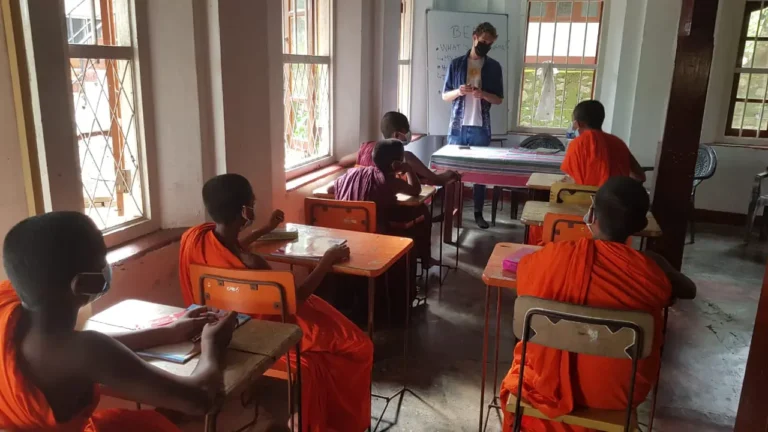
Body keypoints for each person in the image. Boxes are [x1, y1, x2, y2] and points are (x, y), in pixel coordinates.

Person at [0, 211, 239, 431]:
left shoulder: (11, 309)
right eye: (102, 261)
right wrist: (212, 345)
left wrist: (168, 332)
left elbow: (76, 353)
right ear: (82, 285)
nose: (107, 267)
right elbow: (199, 399)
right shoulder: (86, 350)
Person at [178, 174, 373, 432]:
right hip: (267, 327)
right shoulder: (253, 264)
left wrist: (266, 229)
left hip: (220, 325)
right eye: (252, 203)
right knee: (359, 345)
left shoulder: (194, 238)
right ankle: (346, 420)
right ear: (245, 211)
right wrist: (326, 261)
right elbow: (294, 298)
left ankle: (313, 409)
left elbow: (230, 247)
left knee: (320, 363)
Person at [499, 177, 696, 432]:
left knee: (524, 353)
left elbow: (525, 281)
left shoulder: (552, 257)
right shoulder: (649, 269)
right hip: (617, 394)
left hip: (546, 384)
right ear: (641, 224)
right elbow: (688, 290)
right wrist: (659, 263)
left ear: (591, 214)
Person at [331, 139, 433, 270]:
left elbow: (330, 189)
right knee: (422, 211)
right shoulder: (390, 181)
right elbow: (416, 190)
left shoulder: (354, 173)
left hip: (345, 231)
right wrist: (408, 169)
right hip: (375, 235)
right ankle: (425, 259)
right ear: (396, 164)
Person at [442, 22, 504, 229]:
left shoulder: (494, 67)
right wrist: (459, 91)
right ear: (474, 37)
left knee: (480, 173)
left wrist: (483, 94)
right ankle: (450, 210)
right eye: (484, 41)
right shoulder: (457, 64)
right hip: (457, 127)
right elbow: (445, 96)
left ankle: (478, 212)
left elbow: (498, 100)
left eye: (490, 43)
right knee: (452, 172)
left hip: (480, 127)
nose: (486, 45)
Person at [339, 111, 459, 186]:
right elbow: (436, 180)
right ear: (396, 135)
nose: (409, 135)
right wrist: (450, 173)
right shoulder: (405, 157)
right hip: (392, 210)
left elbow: (342, 161)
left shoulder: (366, 148)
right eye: (406, 132)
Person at [561, 100, 646, 186]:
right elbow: (640, 177)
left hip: (585, 197)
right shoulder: (618, 143)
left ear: (577, 124)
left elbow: (574, 180)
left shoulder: (576, 144)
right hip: (616, 196)